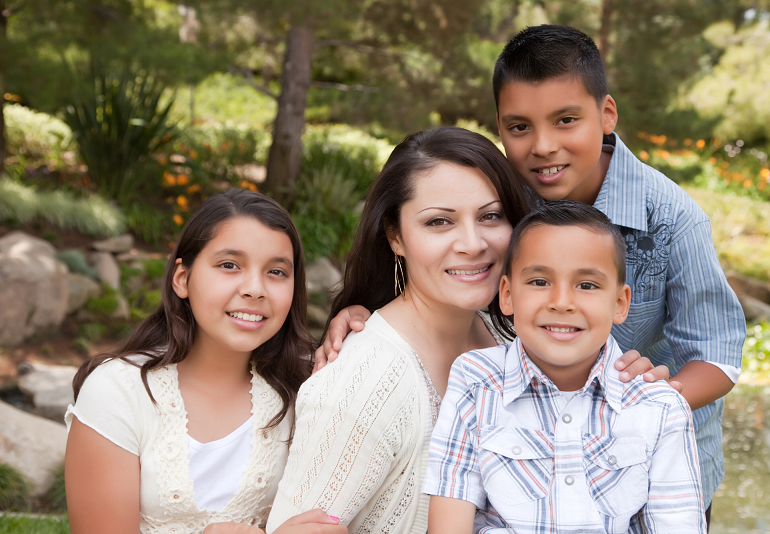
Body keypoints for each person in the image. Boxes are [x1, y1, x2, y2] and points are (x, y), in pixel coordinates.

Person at [319, 25, 746, 526]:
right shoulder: (508, 198)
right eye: (519, 127)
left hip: (646, 469)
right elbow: (451, 265)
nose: (543, 147)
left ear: (606, 114)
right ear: (499, 125)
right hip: (529, 460)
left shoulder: (672, 218)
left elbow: (717, 355)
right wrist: (369, 310)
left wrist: (642, 401)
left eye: (566, 120)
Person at [265, 127, 532, 534]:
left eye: (491, 216)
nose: (473, 243)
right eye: (439, 222)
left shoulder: (511, 333)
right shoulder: (365, 384)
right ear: (395, 236)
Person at [64, 190, 347, 534]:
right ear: (182, 278)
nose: (255, 289)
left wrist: (361, 322)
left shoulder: (308, 384)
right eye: (229, 265)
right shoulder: (118, 392)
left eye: (276, 271)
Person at [424, 201, 706, 533]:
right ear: (507, 295)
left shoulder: (658, 407)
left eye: (586, 285)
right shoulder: (477, 381)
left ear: (619, 304)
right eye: (539, 282)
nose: (561, 302)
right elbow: (448, 524)